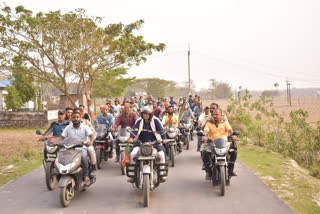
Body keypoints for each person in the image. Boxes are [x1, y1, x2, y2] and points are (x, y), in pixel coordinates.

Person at [127, 106, 168, 183]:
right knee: (132, 154)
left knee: (162, 154)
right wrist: (131, 138)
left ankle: (162, 174)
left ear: (150, 114)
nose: (145, 115)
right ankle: (132, 175)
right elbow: (134, 131)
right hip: (140, 143)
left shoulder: (156, 120)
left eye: (146, 114)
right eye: (143, 114)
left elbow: (161, 131)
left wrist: (164, 139)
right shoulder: (139, 121)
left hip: (154, 143)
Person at [59, 111, 95, 186]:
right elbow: (62, 137)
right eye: (74, 117)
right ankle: (62, 174)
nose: (76, 119)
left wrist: (90, 142)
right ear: (71, 118)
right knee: (62, 156)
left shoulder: (85, 127)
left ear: (80, 118)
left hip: (82, 148)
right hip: (70, 148)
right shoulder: (68, 127)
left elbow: (91, 136)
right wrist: (57, 143)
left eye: (77, 117)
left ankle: (85, 175)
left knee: (83, 157)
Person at [202, 108, 237, 180]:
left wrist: (233, 135)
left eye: (217, 114)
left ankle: (230, 170)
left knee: (234, 152)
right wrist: (205, 136)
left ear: (221, 115)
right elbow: (205, 131)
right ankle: (209, 171)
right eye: (213, 114)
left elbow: (230, 130)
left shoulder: (225, 122)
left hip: (224, 144)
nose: (215, 116)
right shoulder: (209, 123)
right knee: (204, 152)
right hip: (212, 144)